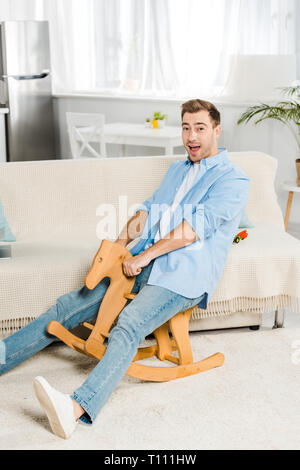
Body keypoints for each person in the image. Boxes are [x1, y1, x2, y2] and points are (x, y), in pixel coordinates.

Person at [0, 99, 250, 439]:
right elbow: (147, 211)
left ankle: (75, 409)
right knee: (67, 307)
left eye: (200, 128)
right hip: (143, 259)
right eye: (186, 127)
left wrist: (145, 257)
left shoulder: (233, 179)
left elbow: (193, 229)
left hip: (184, 273)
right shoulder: (177, 170)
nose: (191, 136)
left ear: (217, 130)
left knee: (129, 324)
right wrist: (119, 247)